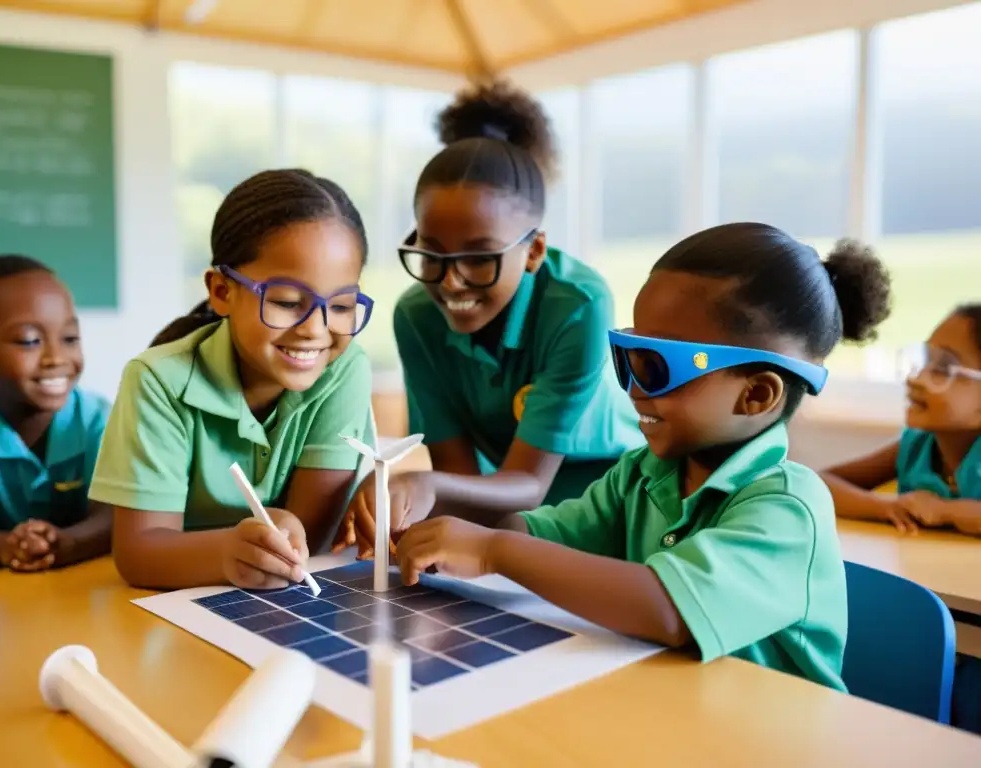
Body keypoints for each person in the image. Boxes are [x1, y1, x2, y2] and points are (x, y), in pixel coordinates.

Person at [394, 224, 894, 691]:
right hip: (662, 710)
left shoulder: (787, 510)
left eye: (656, 367)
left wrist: (493, 551)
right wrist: (454, 533)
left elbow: (667, 609)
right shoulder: (642, 475)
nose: (633, 389)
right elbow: (547, 533)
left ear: (757, 396)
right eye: (626, 356)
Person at [333, 81, 643, 558]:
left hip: (615, 497)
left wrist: (426, 485)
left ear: (535, 250)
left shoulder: (579, 304)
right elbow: (459, 478)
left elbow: (527, 484)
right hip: (504, 501)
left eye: (480, 259)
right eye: (432, 254)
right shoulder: (416, 316)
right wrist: (420, 502)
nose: (452, 282)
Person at [89, 169, 376, 590]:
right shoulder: (157, 381)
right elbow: (138, 555)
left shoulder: (345, 369)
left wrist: (285, 537)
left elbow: (310, 542)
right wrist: (227, 551)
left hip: (282, 602)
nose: (316, 329)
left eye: (342, 306)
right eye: (286, 302)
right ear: (222, 291)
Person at [0, 254, 112, 570]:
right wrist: (8, 547)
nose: (56, 357)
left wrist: (68, 544)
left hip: (86, 590)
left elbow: (116, 517)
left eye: (69, 338)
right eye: (30, 341)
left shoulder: (100, 421)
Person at [821, 305, 981, 536]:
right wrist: (885, 507)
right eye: (926, 360)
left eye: (944, 368)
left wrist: (946, 510)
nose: (915, 378)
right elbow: (823, 483)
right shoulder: (917, 447)